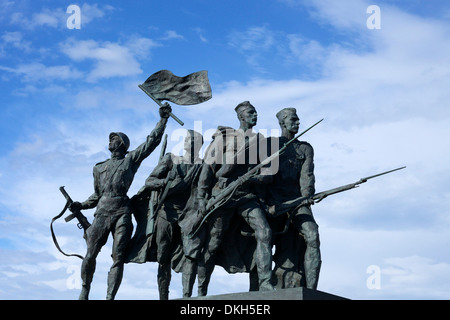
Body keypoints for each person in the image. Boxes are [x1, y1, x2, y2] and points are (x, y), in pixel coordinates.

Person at [70, 104, 172, 300]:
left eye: (114, 138)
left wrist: (162, 120)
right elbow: (97, 195)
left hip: (122, 212)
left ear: (123, 144)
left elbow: (151, 142)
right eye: (110, 138)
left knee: (118, 258)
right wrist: (81, 205)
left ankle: (110, 297)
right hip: (102, 211)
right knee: (90, 254)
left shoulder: (130, 160)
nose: (110, 140)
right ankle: (85, 289)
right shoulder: (99, 168)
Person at [193, 101, 274, 296]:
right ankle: (201, 290)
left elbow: (269, 172)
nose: (255, 115)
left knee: (265, 233)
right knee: (213, 242)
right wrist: (202, 197)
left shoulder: (260, 140)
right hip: (223, 194)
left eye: (256, 112)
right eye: (251, 112)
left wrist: (255, 178)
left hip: (246, 195)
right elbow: (208, 168)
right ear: (241, 117)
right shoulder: (225, 138)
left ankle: (265, 285)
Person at [131, 130, 204, 300]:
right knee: (163, 256)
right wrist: (165, 182)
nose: (190, 143)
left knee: (191, 255)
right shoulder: (171, 159)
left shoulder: (202, 165)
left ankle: (187, 296)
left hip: (190, 215)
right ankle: (163, 296)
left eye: (194, 141)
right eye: (187, 140)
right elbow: (149, 181)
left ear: (199, 145)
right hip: (167, 213)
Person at [267, 107, 321, 290]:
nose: (297, 123)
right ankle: (262, 286)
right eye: (293, 120)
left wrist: (307, 196)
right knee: (262, 238)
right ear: (282, 123)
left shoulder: (305, 148)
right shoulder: (270, 145)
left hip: (297, 202)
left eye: (298, 120)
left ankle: (311, 291)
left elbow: (307, 176)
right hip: (272, 203)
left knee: (313, 235)